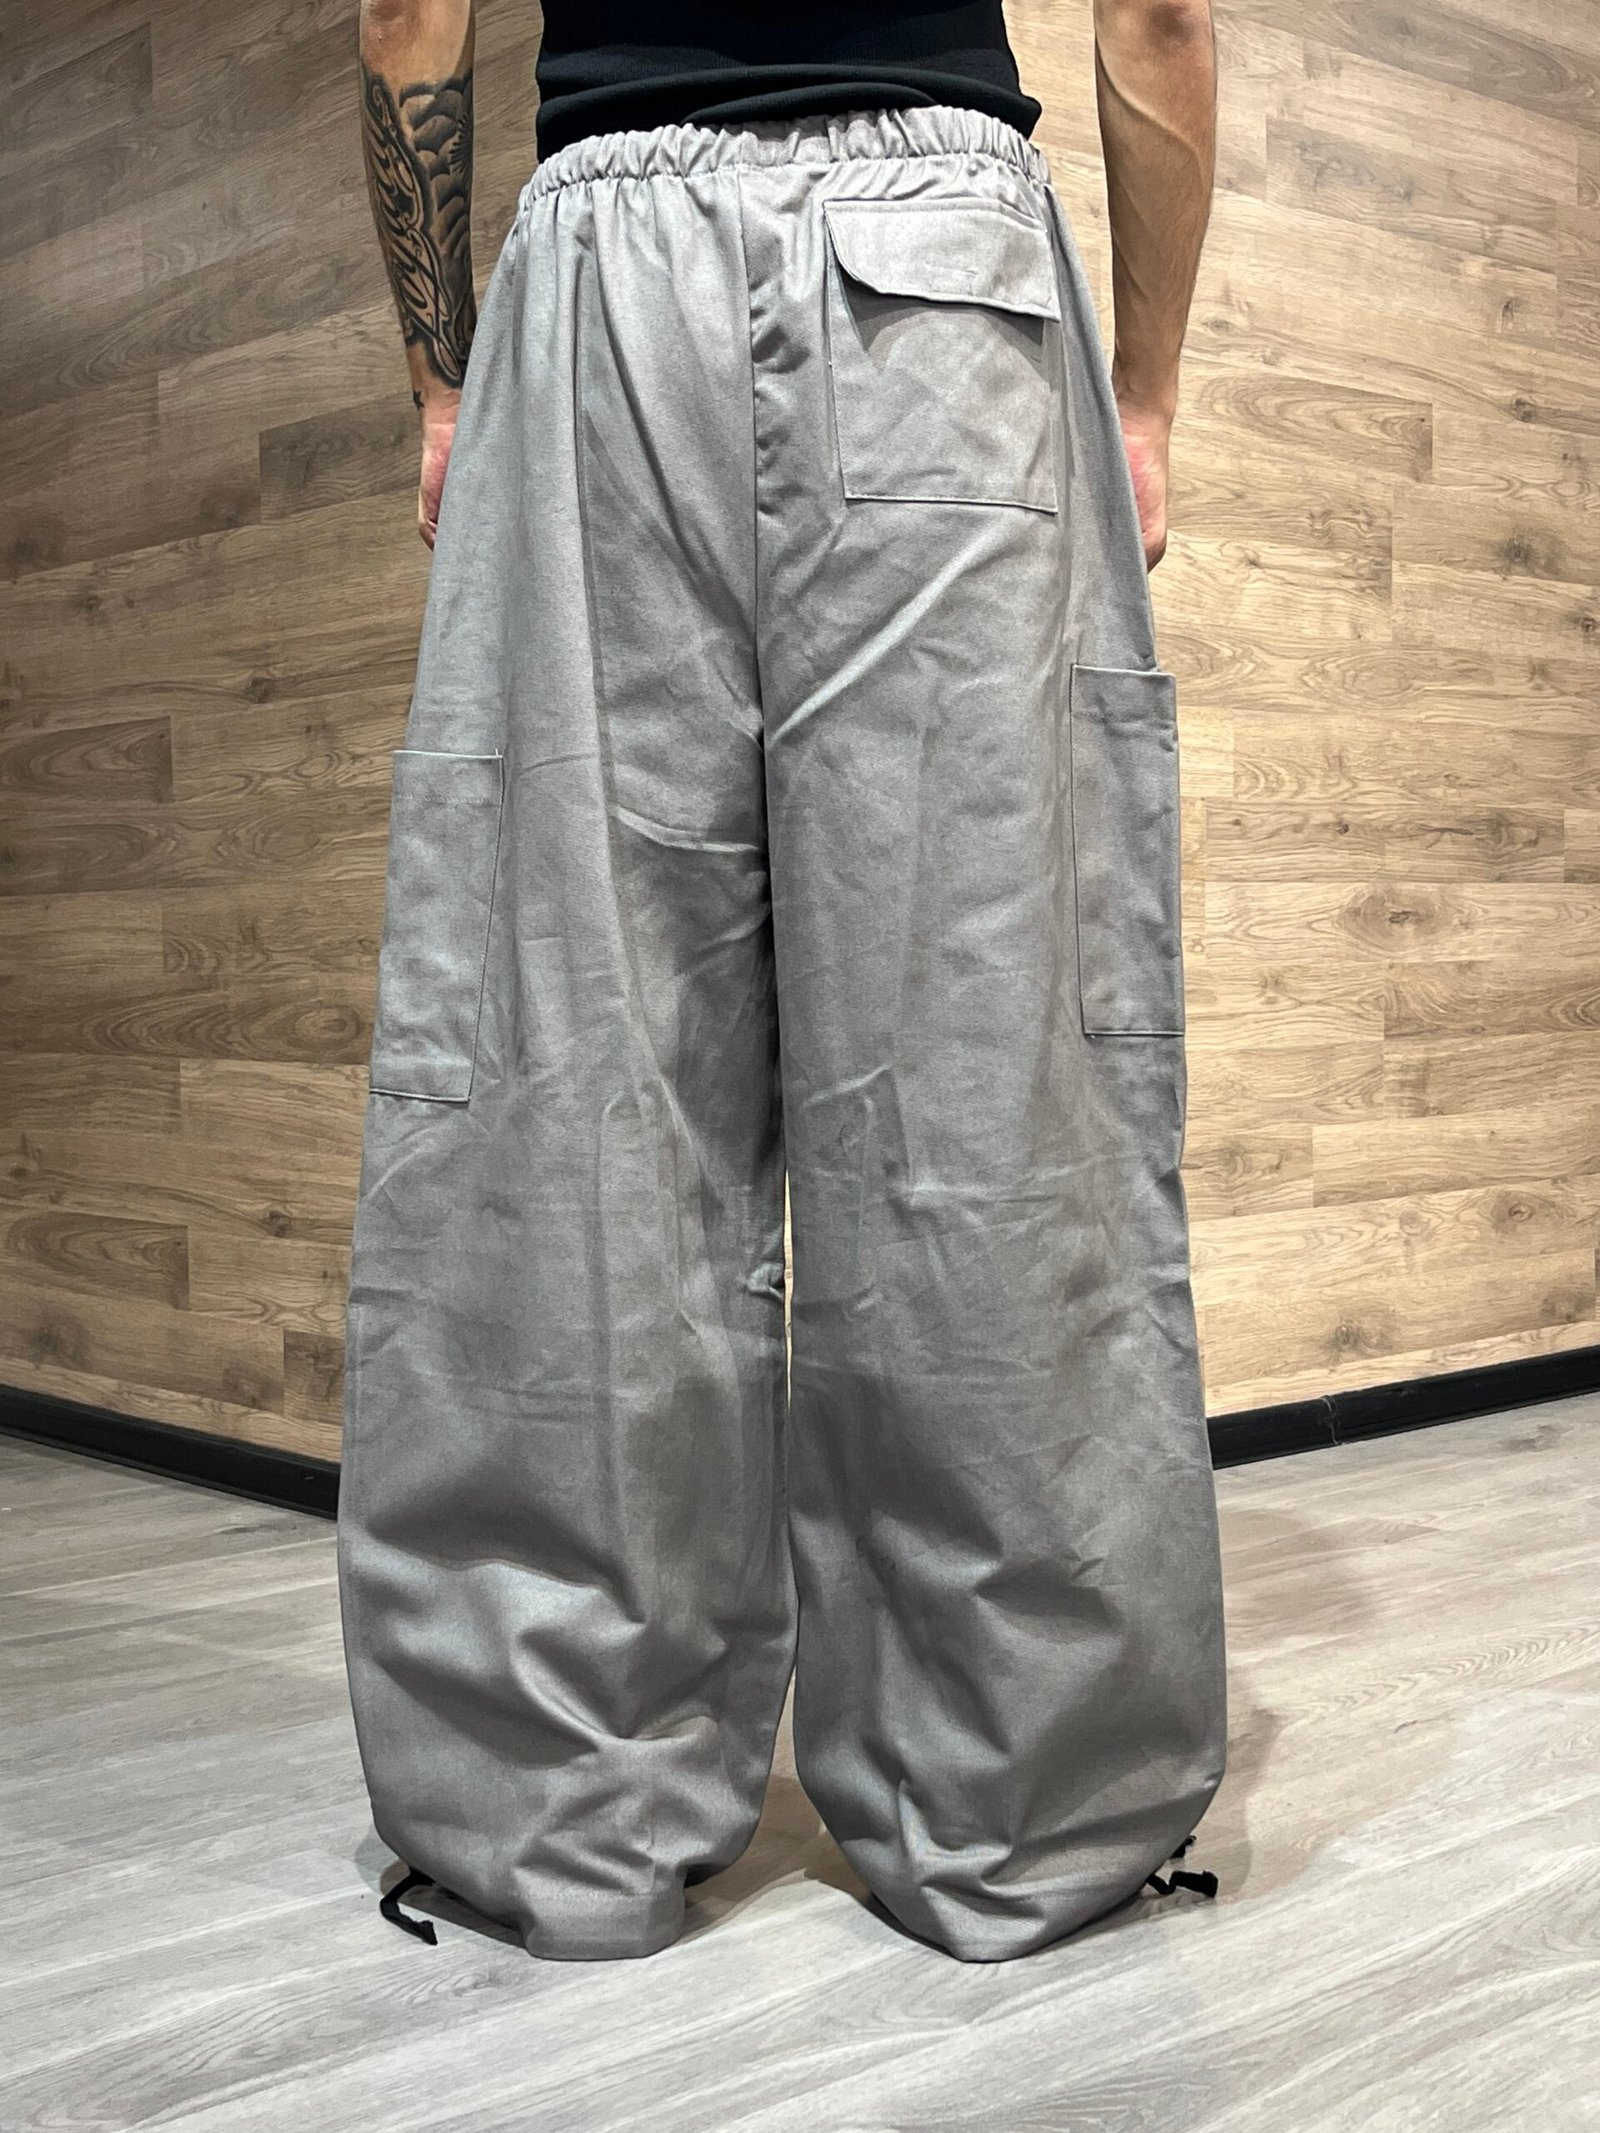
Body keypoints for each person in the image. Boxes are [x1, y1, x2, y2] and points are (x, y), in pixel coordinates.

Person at [339, 0, 1227, 1965]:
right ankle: (1020, 1807)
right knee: (984, 1052)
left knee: (572, 1051)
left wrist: (440, 377)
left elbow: (408, 20)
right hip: (946, 269)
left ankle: (554, 1806)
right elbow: (1158, 19)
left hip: (598, 276)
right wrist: (1144, 393)